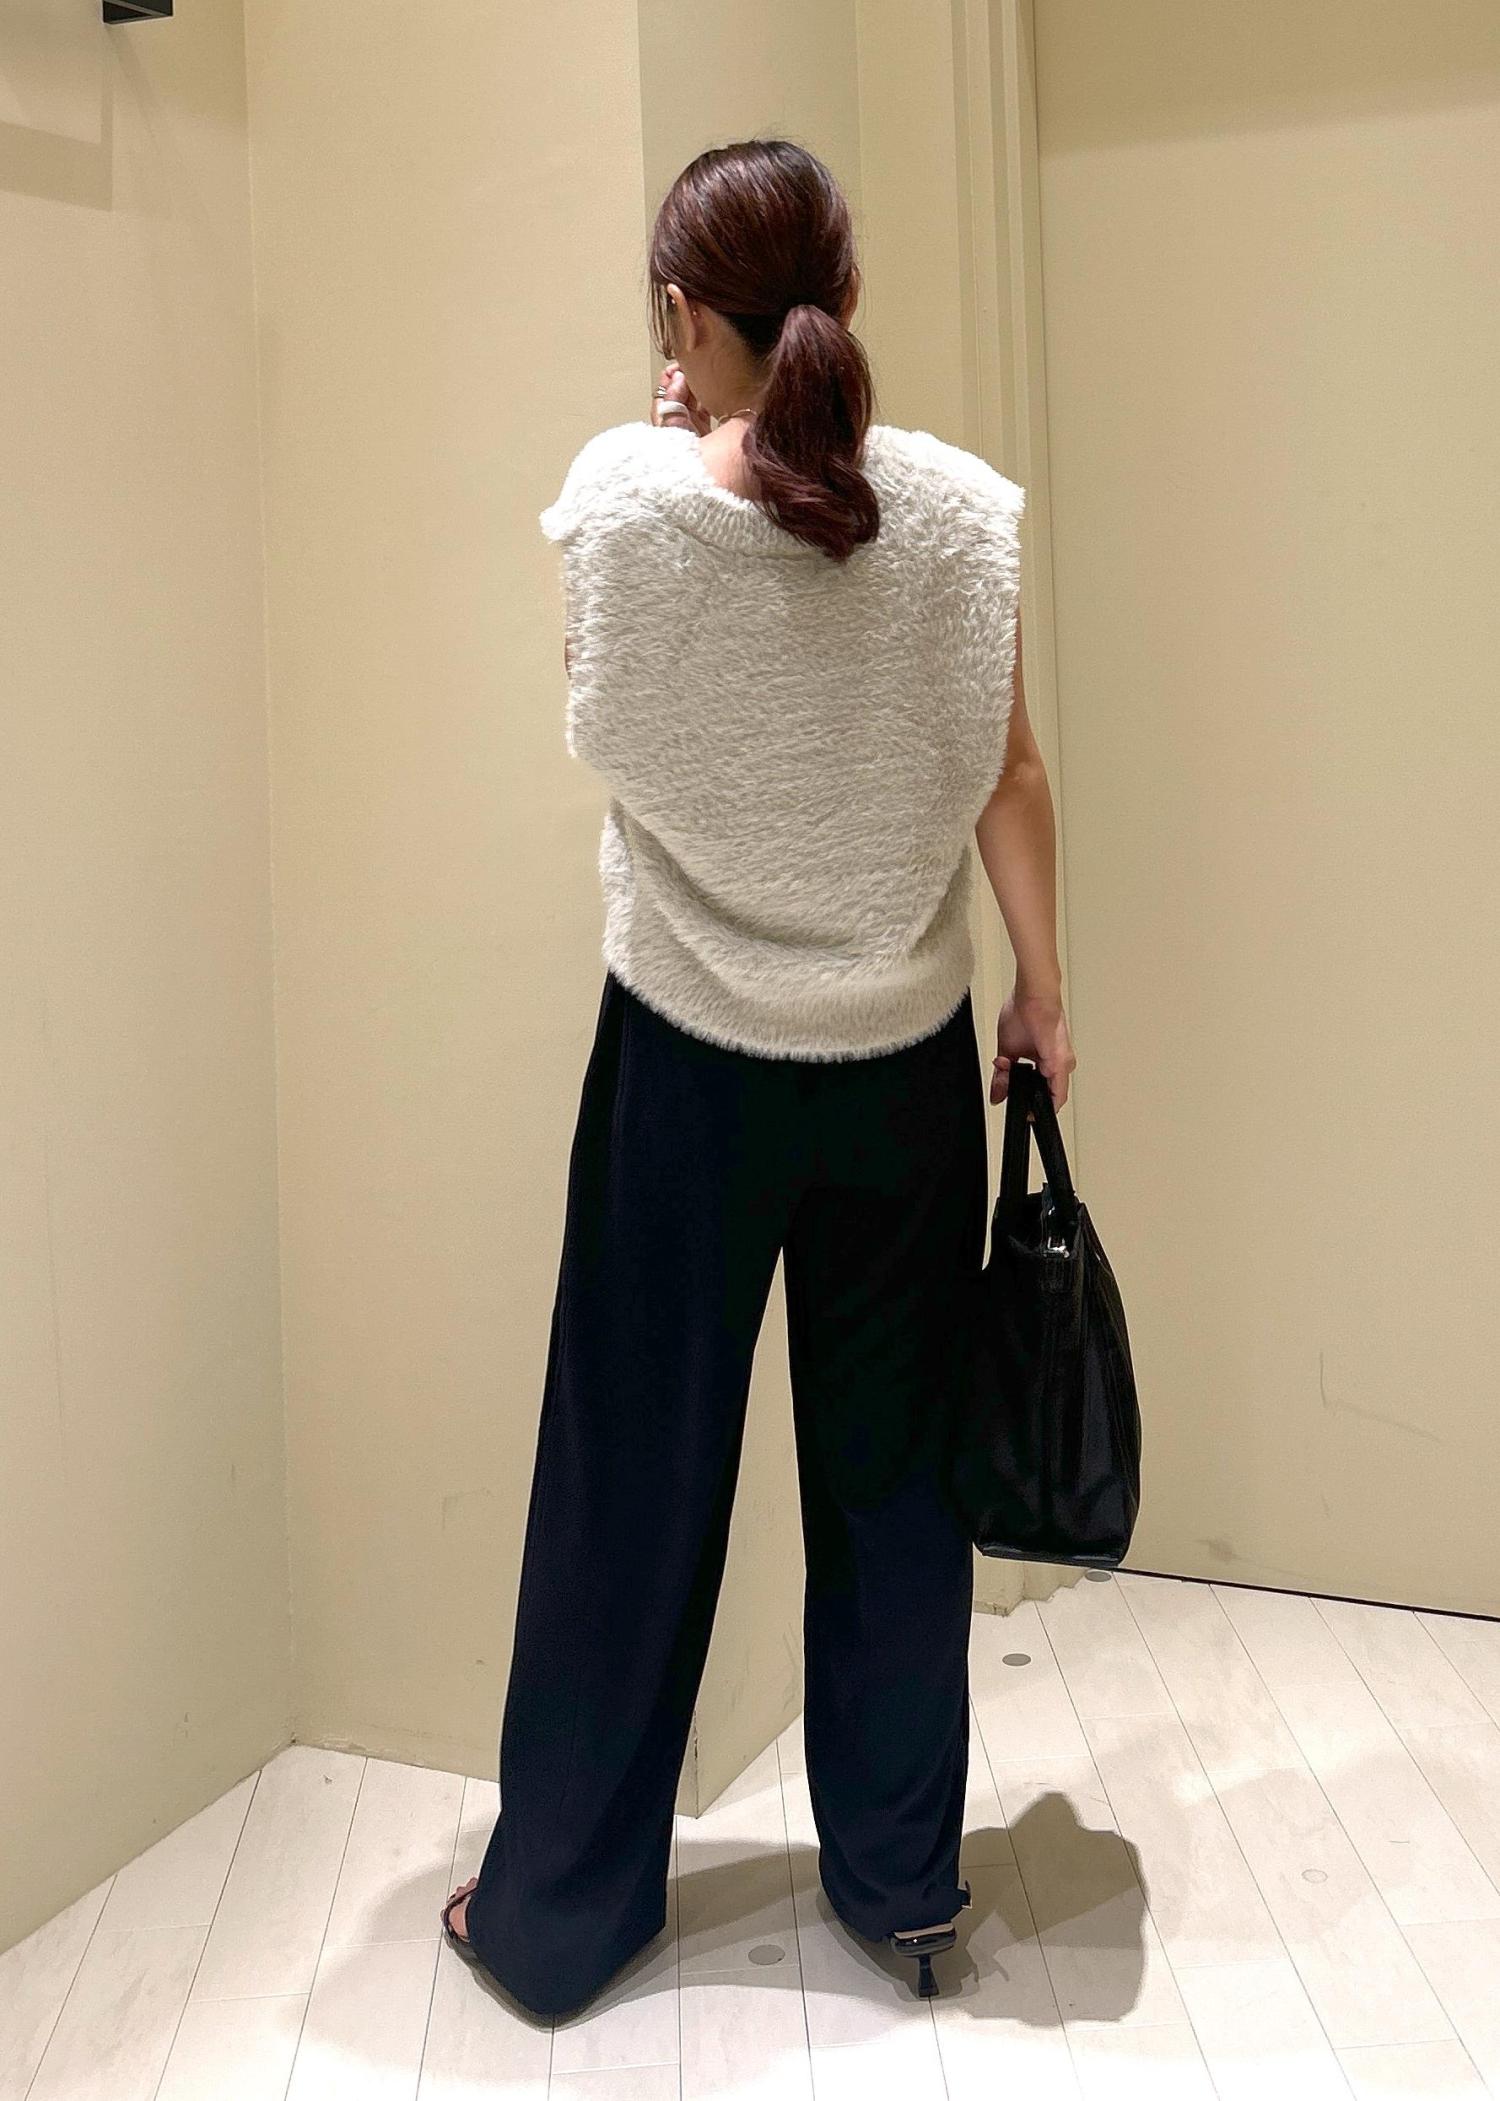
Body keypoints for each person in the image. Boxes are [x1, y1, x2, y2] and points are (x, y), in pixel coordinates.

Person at [441, 136, 1076, 2020]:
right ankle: (901, 1889)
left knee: (630, 1485)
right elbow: (1009, 773)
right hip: (897, 1074)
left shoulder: (620, 504)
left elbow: (601, 707)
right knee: (893, 1492)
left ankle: (558, 1914)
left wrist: (666, 441)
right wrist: (1044, 991)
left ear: (678, 318)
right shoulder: (960, 518)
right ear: (847, 298)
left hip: (686, 1070)